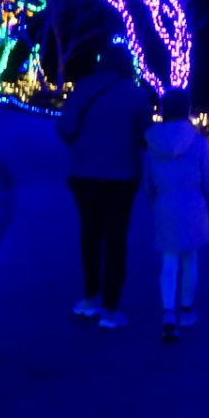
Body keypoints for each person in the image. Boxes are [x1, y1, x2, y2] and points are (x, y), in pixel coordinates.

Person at [55, 45, 157, 328]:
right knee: (115, 239)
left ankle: (89, 298)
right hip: (122, 177)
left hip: (83, 174)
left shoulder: (83, 87)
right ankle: (110, 309)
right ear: (127, 64)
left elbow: (64, 128)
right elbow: (147, 136)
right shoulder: (135, 94)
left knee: (89, 234)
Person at [141, 87, 209, 343]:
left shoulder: (153, 143)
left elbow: (148, 183)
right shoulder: (198, 142)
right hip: (193, 204)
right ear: (187, 110)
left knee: (169, 262)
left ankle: (168, 316)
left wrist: (156, 202)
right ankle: (186, 310)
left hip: (165, 204)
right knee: (190, 258)